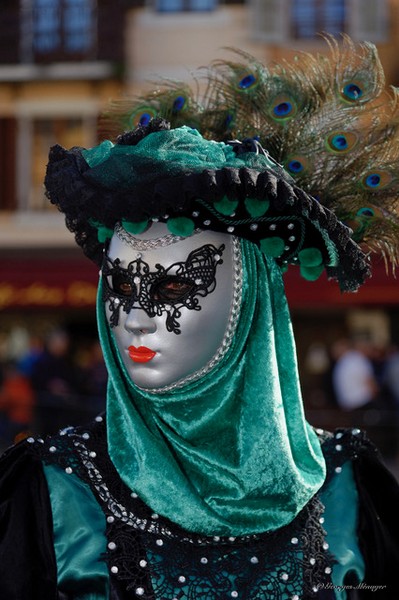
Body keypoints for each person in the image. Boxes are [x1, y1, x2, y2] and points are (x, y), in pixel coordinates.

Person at [1, 40, 399, 599]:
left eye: (172, 287)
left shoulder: (350, 493)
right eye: (119, 285)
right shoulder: (50, 495)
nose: (136, 317)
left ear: (250, 301)